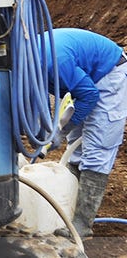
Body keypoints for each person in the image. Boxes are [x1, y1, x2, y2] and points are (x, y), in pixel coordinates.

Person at [44, 28, 127, 239]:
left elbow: (89, 95)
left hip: (109, 73)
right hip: (82, 75)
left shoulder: (54, 62)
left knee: (98, 147)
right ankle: (69, 211)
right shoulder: (27, 65)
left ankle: (82, 224)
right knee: (77, 149)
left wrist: (61, 131)